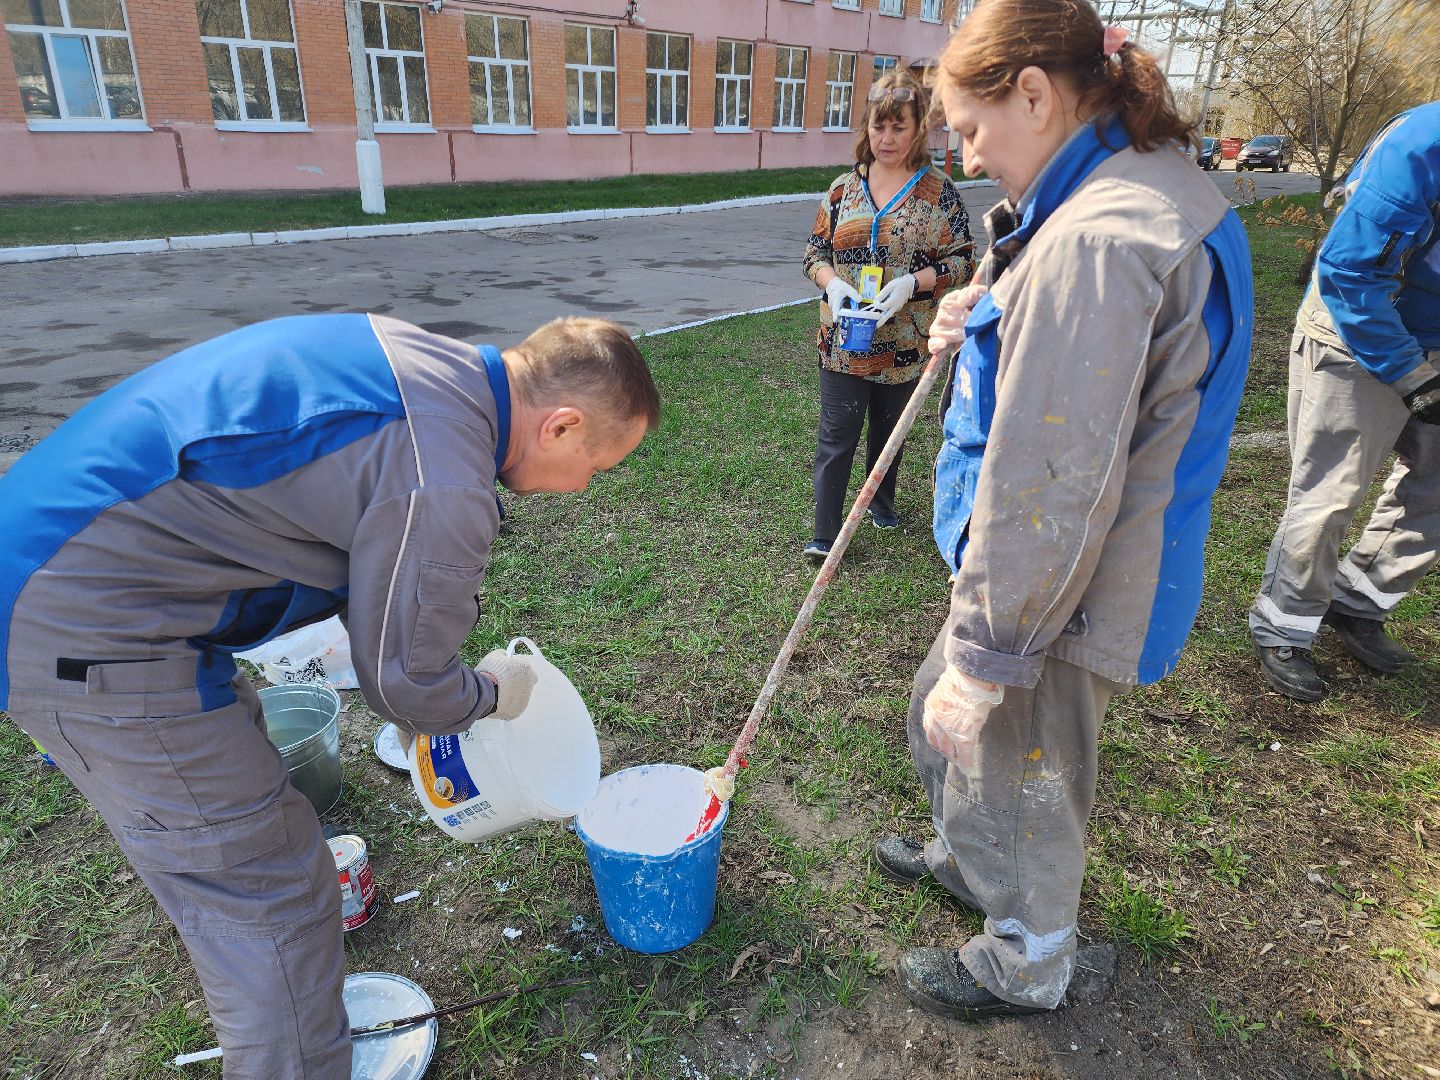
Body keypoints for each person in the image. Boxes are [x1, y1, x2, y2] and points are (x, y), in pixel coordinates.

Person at [0, 313, 659, 1077]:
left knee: (248, 825)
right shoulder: (443, 477)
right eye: (597, 465)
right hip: (87, 619)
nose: (583, 487)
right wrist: (489, 694)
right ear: (562, 425)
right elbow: (406, 686)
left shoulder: (422, 364)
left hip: (71, 556)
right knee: (265, 889)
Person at [871, 0, 1254, 1020]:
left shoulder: (1098, 242)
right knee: (937, 719)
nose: (968, 154)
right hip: (1046, 575)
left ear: (1034, 94)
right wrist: (989, 301)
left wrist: (990, 653)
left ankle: (1026, 958)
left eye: (972, 130)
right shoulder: (1122, 192)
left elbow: (1050, 484)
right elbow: (1077, 357)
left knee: (1024, 778)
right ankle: (967, 854)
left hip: (1059, 590)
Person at [1247, 101, 1440, 702]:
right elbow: (1351, 273)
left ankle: (1360, 601)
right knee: (1331, 490)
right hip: (1356, 327)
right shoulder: (1424, 144)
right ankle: (1286, 625)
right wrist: (1413, 376)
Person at [802, 69, 976, 560]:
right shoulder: (842, 190)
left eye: (899, 127)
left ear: (918, 128)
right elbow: (814, 253)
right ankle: (825, 531)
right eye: (879, 127)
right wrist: (832, 284)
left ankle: (881, 500)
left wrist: (911, 284)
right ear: (867, 128)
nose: (887, 138)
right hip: (845, 339)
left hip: (904, 340)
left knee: (887, 433)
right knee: (837, 434)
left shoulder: (938, 194)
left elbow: (964, 259)